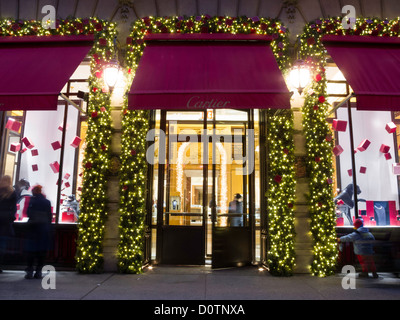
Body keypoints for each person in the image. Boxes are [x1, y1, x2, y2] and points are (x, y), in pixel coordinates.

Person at [25, 185, 52, 279]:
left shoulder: (32, 201)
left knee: (31, 251)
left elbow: (27, 213)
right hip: (43, 229)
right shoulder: (46, 202)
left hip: (33, 228)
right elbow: (49, 216)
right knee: (41, 251)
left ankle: (30, 270)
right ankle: (38, 271)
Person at [0, 176, 17, 273]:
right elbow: (13, 208)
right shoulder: (12, 193)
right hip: (5, 223)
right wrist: (11, 218)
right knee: (2, 246)